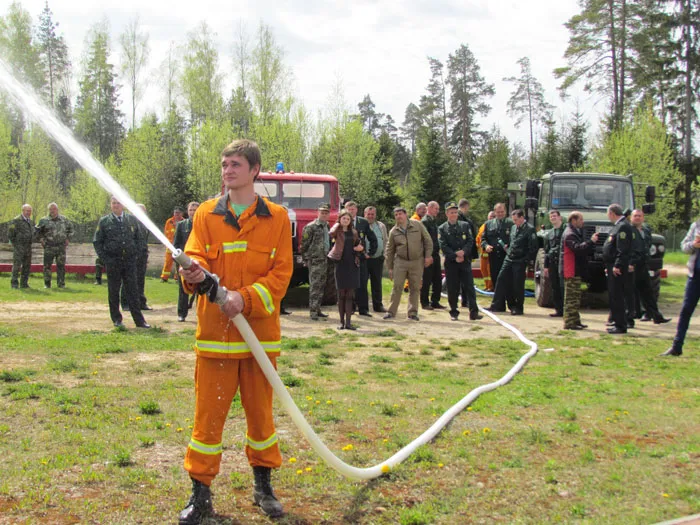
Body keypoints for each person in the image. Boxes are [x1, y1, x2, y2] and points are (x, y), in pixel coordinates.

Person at [178, 139, 293, 522]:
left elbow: (281, 274)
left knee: (261, 418)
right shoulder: (206, 215)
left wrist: (245, 298)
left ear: (255, 169)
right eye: (224, 163)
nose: (227, 170)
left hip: (259, 340)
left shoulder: (277, 218)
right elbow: (194, 253)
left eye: (236, 164)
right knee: (207, 420)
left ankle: (263, 487)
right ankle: (200, 495)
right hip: (216, 340)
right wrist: (191, 271)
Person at [93, 196, 150, 330]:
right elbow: (97, 242)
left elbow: (139, 238)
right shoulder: (105, 221)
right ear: (110, 205)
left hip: (129, 261)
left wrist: (135, 254)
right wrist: (105, 259)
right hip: (113, 261)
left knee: (133, 291)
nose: (116, 205)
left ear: (123, 205)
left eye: (118, 203)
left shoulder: (131, 220)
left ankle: (139, 321)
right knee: (113, 291)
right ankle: (117, 319)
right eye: (113, 203)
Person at [384, 206, 433, 321]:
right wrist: (390, 267)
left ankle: (412, 313)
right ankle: (391, 312)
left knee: (415, 288)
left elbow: (428, 241)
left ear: (406, 215)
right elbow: (389, 250)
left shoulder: (417, 225)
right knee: (397, 287)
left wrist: (427, 256)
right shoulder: (393, 231)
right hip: (400, 262)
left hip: (417, 261)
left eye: (400, 214)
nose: (398, 216)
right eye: (396, 215)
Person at [661, 217, 700, 356]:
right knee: (686, 310)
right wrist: (693, 245)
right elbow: (684, 246)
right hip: (694, 276)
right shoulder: (696, 225)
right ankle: (677, 346)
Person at [488, 209, 537, 315]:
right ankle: (496, 305)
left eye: (516, 220)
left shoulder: (529, 229)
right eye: (513, 220)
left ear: (522, 218)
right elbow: (512, 241)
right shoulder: (514, 228)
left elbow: (533, 248)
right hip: (509, 258)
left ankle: (518, 307)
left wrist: (525, 260)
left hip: (520, 260)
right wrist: (508, 247)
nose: (514, 222)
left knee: (517, 284)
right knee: (501, 279)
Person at [439, 202, 482, 321]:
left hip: (464, 261)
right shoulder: (442, 228)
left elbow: (470, 241)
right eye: (451, 212)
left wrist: (463, 252)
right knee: (452, 288)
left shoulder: (465, 225)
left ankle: (474, 312)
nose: (454, 214)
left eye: (455, 212)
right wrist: (454, 255)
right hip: (452, 262)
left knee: (469, 287)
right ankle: (454, 312)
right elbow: (443, 245)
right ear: (447, 214)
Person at [629, 209, 671, 325]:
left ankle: (656, 316)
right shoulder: (628, 230)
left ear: (643, 218)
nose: (637, 218)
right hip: (632, 265)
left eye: (639, 216)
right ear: (631, 218)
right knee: (630, 292)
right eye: (635, 216)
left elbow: (647, 245)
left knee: (648, 291)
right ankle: (631, 315)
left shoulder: (646, 230)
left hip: (643, 264)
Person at [560, 211, 598, 330]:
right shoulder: (570, 234)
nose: (583, 222)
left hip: (575, 269)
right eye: (581, 219)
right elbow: (578, 249)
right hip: (571, 270)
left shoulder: (574, 232)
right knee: (571, 298)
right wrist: (591, 241)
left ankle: (575, 320)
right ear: (574, 220)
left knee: (576, 297)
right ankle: (570, 323)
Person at [329, 209, 363, 329]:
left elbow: (359, 245)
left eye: (348, 219)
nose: (346, 220)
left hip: (352, 265)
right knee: (341, 295)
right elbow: (330, 233)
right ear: (340, 219)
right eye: (344, 218)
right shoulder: (336, 231)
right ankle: (341, 322)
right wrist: (338, 224)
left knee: (349, 295)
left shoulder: (353, 232)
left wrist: (359, 248)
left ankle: (348, 323)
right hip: (340, 264)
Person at [603, 204, 634, 334]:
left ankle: (621, 325)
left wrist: (617, 265)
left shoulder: (623, 227)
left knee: (618, 296)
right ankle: (617, 322)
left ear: (612, 213)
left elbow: (623, 249)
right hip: (612, 266)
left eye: (608, 213)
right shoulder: (618, 225)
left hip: (617, 267)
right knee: (613, 295)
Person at [344, 201, 377, 317]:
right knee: (349, 284)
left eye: (353, 209)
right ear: (345, 209)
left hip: (361, 258)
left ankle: (363, 309)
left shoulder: (363, 222)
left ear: (356, 210)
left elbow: (373, 238)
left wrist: (370, 253)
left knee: (362, 283)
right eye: (348, 209)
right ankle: (350, 308)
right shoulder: (342, 221)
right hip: (347, 258)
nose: (351, 211)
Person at [301, 204, 331, 321]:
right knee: (314, 286)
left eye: (326, 213)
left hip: (324, 259)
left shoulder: (326, 226)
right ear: (317, 213)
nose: (324, 215)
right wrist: (305, 259)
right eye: (322, 212)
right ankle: (313, 311)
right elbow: (304, 244)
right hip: (315, 259)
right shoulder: (311, 227)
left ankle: (318, 309)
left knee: (322, 285)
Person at [35, 202, 73, 289]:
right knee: (47, 266)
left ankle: (61, 284)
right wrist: (41, 240)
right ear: (49, 210)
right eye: (51, 209)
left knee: (61, 266)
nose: (52, 211)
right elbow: (37, 231)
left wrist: (68, 239)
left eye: (54, 209)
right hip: (49, 246)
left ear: (57, 210)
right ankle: (47, 284)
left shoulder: (64, 220)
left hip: (61, 246)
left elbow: (71, 230)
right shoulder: (43, 220)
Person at [121, 203, 152, 312]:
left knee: (140, 280)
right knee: (128, 279)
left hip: (142, 255)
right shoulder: (129, 223)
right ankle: (125, 304)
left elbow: (144, 240)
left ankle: (141, 303)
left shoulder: (145, 224)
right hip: (131, 255)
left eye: (143, 210)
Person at [173, 201, 200, 322]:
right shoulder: (181, 225)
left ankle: (200, 313)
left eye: (195, 210)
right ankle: (181, 313)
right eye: (191, 210)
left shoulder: (203, 224)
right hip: (184, 261)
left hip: (199, 261)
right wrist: (178, 259)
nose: (193, 212)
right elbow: (176, 244)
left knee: (201, 288)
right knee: (183, 289)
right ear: (187, 211)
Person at [481, 203, 514, 295]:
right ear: (495, 212)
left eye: (502, 212)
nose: (500, 214)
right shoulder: (488, 224)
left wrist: (509, 246)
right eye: (498, 212)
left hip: (506, 256)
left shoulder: (510, 223)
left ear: (505, 212)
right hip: (494, 256)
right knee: (495, 278)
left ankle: (509, 301)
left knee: (507, 279)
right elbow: (483, 239)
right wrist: (486, 246)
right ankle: (498, 302)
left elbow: (514, 239)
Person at [420, 201, 445, 310]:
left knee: (437, 278)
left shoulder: (433, 221)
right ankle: (424, 302)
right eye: (436, 209)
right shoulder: (425, 221)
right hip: (428, 254)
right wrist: (427, 255)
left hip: (435, 253)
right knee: (427, 279)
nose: (437, 211)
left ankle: (435, 301)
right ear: (429, 208)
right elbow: (425, 239)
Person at [364, 206, 388, 312]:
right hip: (363, 259)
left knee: (377, 283)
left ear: (375, 215)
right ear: (364, 214)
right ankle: (362, 306)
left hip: (377, 258)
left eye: (372, 214)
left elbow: (386, 240)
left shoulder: (381, 226)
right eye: (368, 214)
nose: (370, 216)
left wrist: (384, 254)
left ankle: (378, 305)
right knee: (362, 283)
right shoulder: (360, 224)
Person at [543, 209, 565, 317]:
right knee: (555, 287)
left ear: (560, 217)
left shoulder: (565, 230)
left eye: (555, 216)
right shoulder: (549, 234)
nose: (553, 218)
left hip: (563, 263)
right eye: (551, 217)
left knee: (563, 287)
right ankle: (558, 310)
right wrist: (546, 267)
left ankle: (566, 310)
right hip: (552, 263)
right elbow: (546, 250)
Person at [458, 199, 478, 306]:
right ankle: (465, 300)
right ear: (465, 207)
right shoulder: (462, 220)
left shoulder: (466, 219)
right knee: (465, 278)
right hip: (463, 252)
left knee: (465, 278)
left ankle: (465, 299)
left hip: (466, 252)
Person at [8, 204, 34, 289]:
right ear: (23, 211)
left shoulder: (30, 221)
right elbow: (10, 234)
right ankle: (14, 284)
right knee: (17, 266)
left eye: (30, 211)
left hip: (28, 247)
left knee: (26, 266)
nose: (29, 213)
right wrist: (16, 244)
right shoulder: (16, 220)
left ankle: (24, 283)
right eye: (27, 211)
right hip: (19, 247)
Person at [160, 206, 184, 282]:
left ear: (181, 213)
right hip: (170, 245)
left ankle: (178, 277)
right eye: (175, 212)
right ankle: (164, 277)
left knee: (180, 262)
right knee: (168, 262)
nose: (176, 214)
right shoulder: (169, 221)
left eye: (178, 213)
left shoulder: (184, 221)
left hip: (180, 246)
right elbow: (166, 232)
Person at [475, 211, 496, 292]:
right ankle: (487, 285)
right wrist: (477, 246)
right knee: (483, 270)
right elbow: (478, 237)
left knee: (490, 270)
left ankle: (491, 287)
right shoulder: (483, 226)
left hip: (490, 253)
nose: (491, 218)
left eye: (493, 216)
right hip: (483, 254)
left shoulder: (495, 226)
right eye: (490, 216)